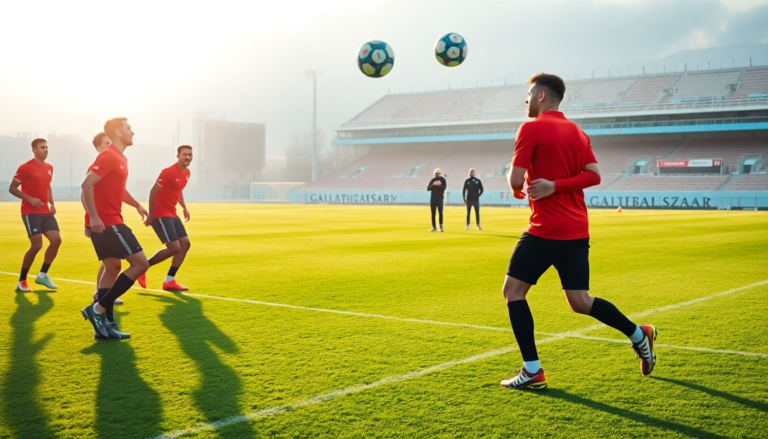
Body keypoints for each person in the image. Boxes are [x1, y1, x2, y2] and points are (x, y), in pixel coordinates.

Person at [499, 73, 657, 389]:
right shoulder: (578, 132)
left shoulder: (530, 128)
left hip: (545, 229)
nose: (526, 100)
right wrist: (557, 185)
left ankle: (532, 370)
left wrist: (530, 187)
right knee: (580, 301)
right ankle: (640, 334)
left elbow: (517, 182)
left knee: (513, 292)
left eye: (529, 94)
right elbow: (594, 175)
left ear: (541, 96)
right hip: (576, 230)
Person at [80, 118, 150, 340]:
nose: (133, 132)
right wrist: (93, 216)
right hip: (109, 222)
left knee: (112, 268)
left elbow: (118, 190)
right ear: (118, 132)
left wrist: (137, 204)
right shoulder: (109, 155)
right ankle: (98, 310)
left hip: (109, 220)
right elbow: (86, 185)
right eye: (129, 128)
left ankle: (105, 326)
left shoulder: (121, 158)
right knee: (141, 263)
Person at [8, 138, 61, 292]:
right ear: (34, 150)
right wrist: (29, 199)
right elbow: (12, 188)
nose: (46, 150)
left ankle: (42, 275)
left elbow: (47, 186)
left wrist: (52, 203)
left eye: (47, 147)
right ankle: (22, 280)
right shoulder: (25, 167)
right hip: (30, 212)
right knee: (37, 244)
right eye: (42, 147)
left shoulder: (49, 167)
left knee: (56, 240)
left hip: (46, 211)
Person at [138, 145, 193, 291]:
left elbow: (178, 190)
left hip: (172, 213)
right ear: (178, 156)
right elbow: (153, 191)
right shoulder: (168, 172)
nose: (187, 157)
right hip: (161, 214)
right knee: (174, 247)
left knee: (185, 244)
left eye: (190, 155)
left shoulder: (187, 173)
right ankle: (142, 267)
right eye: (184, 155)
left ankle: (169, 281)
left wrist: (184, 207)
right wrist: (151, 214)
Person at [85, 133, 121, 305]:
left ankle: (101, 294)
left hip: (110, 218)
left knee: (110, 261)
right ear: (98, 148)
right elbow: (85, 192)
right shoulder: (97, 165)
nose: (109, 146)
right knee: (111, 261)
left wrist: (136, 205)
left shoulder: (112, 162)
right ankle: (100, 296)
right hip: (100, 221)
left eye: (110, 142)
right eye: (106, 143)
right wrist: (90, 219)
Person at [427, 168, 446, 232]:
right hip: (433, 199)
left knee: (440, 212)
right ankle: (434, 227)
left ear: (440, 173)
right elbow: (428, 188)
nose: (437, 174)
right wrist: (433, 184)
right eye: (435, 173)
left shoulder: (443, 180)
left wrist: (439, 185)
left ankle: (441, 226)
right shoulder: (433, 180)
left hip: (440, 199)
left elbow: (444, 188)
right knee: (433, 214)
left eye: (438, 173)